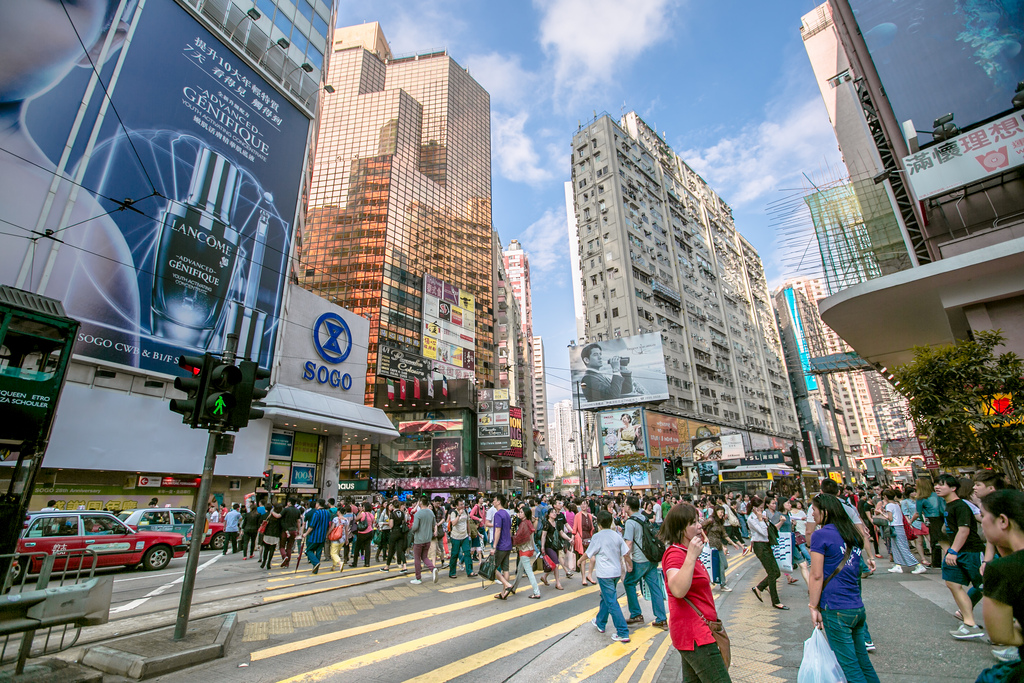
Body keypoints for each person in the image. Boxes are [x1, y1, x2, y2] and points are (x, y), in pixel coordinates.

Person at [808, 494, 879, 683]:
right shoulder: (852, 534)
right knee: (863, 662)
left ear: (825, 512)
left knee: (850, 667)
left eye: (814, 510)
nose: (812, 514)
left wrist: (813, 607)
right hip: (856, 606)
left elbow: (816, 575)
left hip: (835, 608)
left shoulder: (820, 535)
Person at [660, 502, 731, 682]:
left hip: (697, 632)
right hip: (695, 634)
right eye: (693, 522)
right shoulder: (675, 554)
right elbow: (677, 590)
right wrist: (691, 556)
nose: (699, 526)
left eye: (698, 521)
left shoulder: (687, 551)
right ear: (681, 528)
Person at [934, 473, 987, 640]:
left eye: (942, 484)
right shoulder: (948, 506)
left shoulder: (960, 506)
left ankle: (1007, 626)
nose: (937, 487)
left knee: (984, 586)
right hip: (957, 552)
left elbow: (964, 530)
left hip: (970, 551)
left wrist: (953, 551)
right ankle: (969, 623)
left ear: (953, 488)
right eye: (936, 484)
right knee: (952, 583)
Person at [978, 489, 1024, 675]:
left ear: (1003, 521)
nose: (981, 523)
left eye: (983, 516)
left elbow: (1001, 634)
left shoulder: (1002, 570)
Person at [586, 510, 633, 643]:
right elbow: (626, 553)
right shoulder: (616, 535)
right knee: (606, 597)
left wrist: (579, 561)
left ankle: (622, 631)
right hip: (616, 573)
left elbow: (588, 553)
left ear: (599, 524)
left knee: (611, 601)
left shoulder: (597, 536)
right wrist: (629, 565)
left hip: (604, 574)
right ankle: (600, 622)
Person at [622, 496, 668, 629]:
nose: (624, 507)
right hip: (650, 559)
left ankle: (636, 614)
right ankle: (661, 619)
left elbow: (628, 543)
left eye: (625, 505)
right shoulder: (643, 517)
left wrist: (628, 562)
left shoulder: (630, 522)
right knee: (655, 588)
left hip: (639, 560)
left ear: (628, 507)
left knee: (629, 583)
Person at [747, 497, 786, 609]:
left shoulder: (762, 515)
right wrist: (760, 519)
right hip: (759, 546)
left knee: (776, 572)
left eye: (762, 508)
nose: (762, 510)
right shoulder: (752, 519)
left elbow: (769, 530)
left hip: (766, 545)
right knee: (773, 573)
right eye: (759, 508)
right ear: (754, 508)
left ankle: (759, 588)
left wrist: (764, 519)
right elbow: (764, 532)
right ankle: (775, 601)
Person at [882, 489, 927, 574]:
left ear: (886, 497)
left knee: (902, 547)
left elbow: (890, 518)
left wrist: (882, 513)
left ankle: (917, 565)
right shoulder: (897, 504)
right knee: (896, 546)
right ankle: (898, 565)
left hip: (894, 526)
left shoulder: (889, 505)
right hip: (900, 526)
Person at [703, 506, 746, 592]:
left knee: (725, 565)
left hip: (719, 545)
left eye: (723, 512)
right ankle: (723, 585)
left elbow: (724, 534)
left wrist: (734, 544)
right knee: (721, 566)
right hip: (712, 546)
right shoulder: (710, 520)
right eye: (720, 512)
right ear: (716, 511)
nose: (722, 514)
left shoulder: (720, 522)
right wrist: (705, 537)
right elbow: (700, 527)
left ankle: (714, 578)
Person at [511, 504, 541, 599]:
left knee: (529, 572)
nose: (519, 514)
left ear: (525, 514)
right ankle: (513, 588)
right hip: (528, 549)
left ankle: (536, 592)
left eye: (521, 512)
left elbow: (519, 538)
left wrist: (512, 540)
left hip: (524, 550)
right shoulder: (528, 522)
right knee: (520, 571)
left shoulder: (523, 524)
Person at [914, 477, 945, 566]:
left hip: (931, 519)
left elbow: (918, 513)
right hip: (941, 517)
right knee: (944, 539)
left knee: (934, 541)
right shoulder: (937, 495)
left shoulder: (921, 498)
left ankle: (936, 562)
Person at [491, 494, 516, 599]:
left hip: (501, 545)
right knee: (506, 569)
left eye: (494, 499)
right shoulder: (506, 513)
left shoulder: (498, 514)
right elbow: (509, 530)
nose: (493, 501)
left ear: (499, 502)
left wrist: (494, 546)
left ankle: (507, 585)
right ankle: (503, 593)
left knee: (493, 568)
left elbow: (498, 530)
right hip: (508, 544)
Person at [410, 496, 437, 585]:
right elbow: (434, 524)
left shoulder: (418, 514)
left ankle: (418, 578)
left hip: (419, 539)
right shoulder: (431, 513)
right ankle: (433, 568)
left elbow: (415, 527)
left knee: (417, 558)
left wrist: (411, 529)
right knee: (424, 557)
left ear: (420, 503)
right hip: (428, 539)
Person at [447, 498, 475, 578]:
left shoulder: (466, 512)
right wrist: (459, 515)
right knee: (454, 554)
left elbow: (467, 522)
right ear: (456, 506)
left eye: (463, 504)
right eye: (461, 505)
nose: (463, 506)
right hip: (455, 537)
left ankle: (470, 571)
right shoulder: (454, 513)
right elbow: (454, 523)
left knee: (467, 553)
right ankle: (452, 572)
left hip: (465, 536)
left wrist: (469, 532)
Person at [540, 507, 567, 590]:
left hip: (556, 545)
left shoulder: (557, 523)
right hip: (549, 546)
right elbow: (543, 535)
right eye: (552, 512)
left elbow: (561, 533)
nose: (554, 513)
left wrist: (569, 539)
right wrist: (542, 546)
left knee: (553, 564)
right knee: (556, 563)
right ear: (549, 514)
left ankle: (544, 576)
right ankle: (558, 583)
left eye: (555, 512)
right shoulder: (546, 523)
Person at [303, 499, 332, 574]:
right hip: (323, 535)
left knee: (308, 550)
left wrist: (305, 534)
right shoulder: (327, 513)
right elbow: (329, 525)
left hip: (315, 535)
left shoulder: (316, 513)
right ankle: (315, 570)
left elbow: (312, 526)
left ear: (318, 504)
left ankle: (315, 563)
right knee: (318, 552)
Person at [573, 499, 596, 584]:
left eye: (585, 504)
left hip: (589, 538)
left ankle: (589, 575)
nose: (583, 506)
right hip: (581, 538)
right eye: (582, 504)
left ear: (587, 506)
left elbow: (592, 528)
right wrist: (574, 537)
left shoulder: (590, 516)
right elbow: (575, 528)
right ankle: (583, 578)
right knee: (583, 559)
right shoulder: (577, 515)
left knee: (593, 559)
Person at [383, 500, 409, 573]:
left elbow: (391, 525)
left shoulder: (392, 514)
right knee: (400, 549)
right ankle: (404, 566)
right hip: (401, 533)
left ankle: (387, 566)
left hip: (394, 532)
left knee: (391, 549)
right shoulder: (402, 513)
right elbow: (404, 521)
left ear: (393, 506)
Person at [351, 502, 375, 568]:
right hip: (370, 532)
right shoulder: (371, 514)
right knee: (367, 548)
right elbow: (373, 522)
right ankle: (367, 563)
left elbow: (356, 519)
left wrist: (360, 511)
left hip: (362, 533)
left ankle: (355, 563)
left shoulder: (363, 514)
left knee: (357, 548)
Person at [259, 504, 282, 570]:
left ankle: (263, 562)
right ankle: (269, 563)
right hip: (276, 534)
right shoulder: (280, 516)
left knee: (266, 549)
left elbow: (261, 522)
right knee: (272, 549)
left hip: (267, 533)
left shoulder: (266, 515)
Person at [279, 500, 301, 569]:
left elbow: (279, 516)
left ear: (289, 502)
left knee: (282, 546)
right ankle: (287, 564)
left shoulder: (285, 510)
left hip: (285, 530)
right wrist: (298, 530)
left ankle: (284, 556)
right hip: (293, 530)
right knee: (289, 547)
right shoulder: (297, 511)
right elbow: (299, 521)